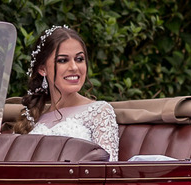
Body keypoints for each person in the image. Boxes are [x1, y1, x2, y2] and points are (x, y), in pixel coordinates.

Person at [13, 25, 119, 161]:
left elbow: (108, 171)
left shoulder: (99, 112)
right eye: (63, 60)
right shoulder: (32, 118)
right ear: (42, 69)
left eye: (79, 59)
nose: (74, 67)